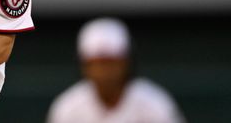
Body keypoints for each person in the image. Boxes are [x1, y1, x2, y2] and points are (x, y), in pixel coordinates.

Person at [47, 17, 185, 123]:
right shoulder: (67, 108)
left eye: (111, 63)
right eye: (97, 63)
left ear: (126, 63)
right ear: (84, 66)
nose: (104, 71)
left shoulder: (154, 104)